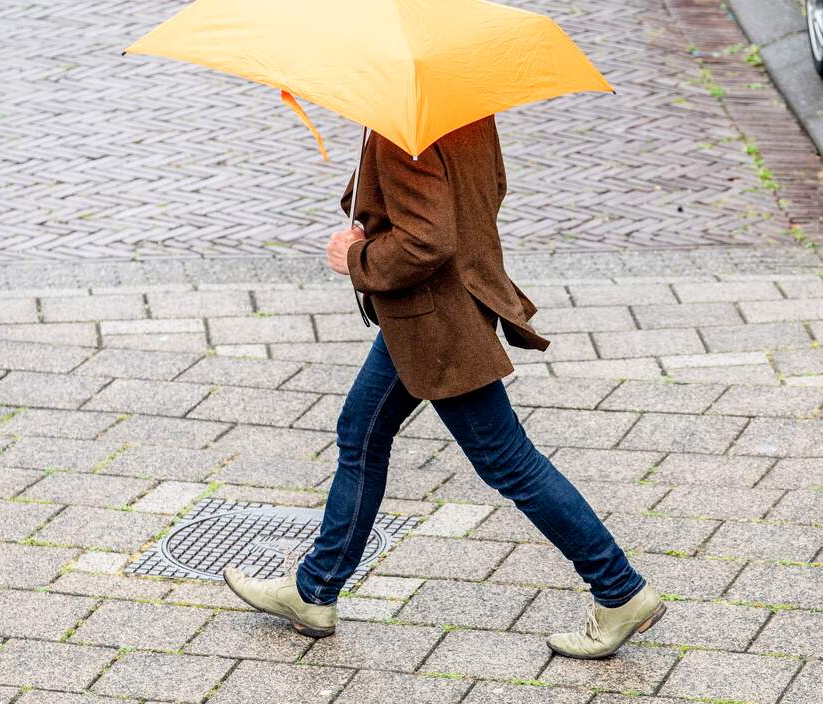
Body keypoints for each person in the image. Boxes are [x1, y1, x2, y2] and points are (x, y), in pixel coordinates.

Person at [223, 116, 665, 659]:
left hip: (437, 320)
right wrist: (375, 216)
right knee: (360, 433)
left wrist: (358, 257)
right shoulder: (466, 109)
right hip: (440, 310)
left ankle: (619, 590)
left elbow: (427, 239)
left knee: (508, 462)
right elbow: (487, 187)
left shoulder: (400, 126)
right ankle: (315, 590)